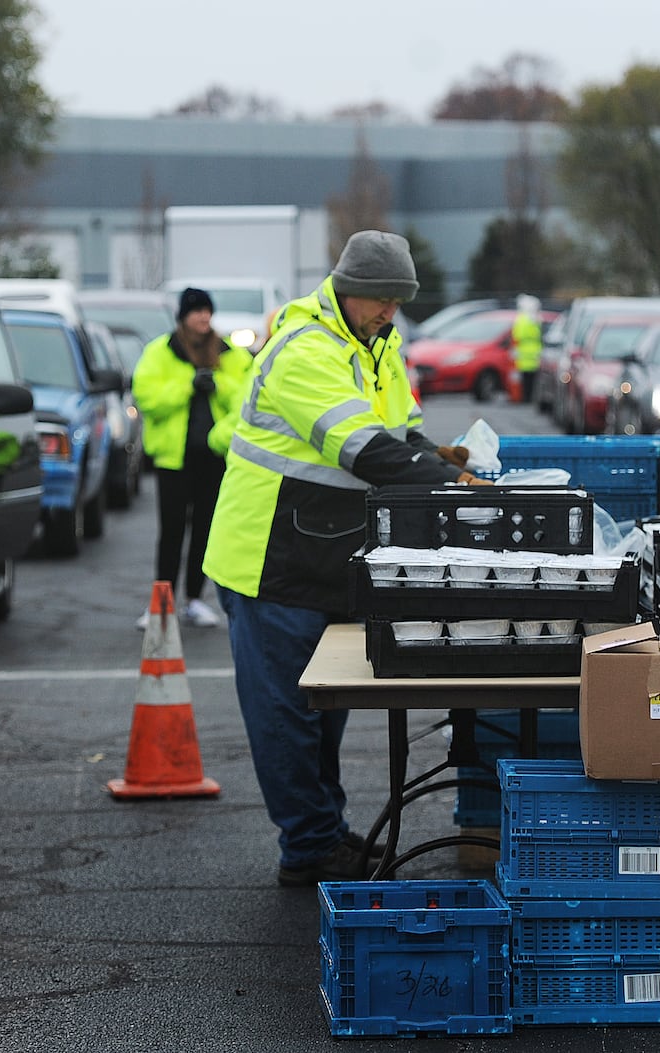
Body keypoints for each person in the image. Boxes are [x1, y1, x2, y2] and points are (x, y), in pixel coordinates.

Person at [201, 230, 488, 887]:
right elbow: (363, 448)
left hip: (326, 557)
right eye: (380, 298)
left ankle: (322, 831)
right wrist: (448, 485)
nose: (391, 310)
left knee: (322, 716)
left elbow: (404, 432)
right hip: (267, 558)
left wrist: (453, 463)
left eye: (398, 299)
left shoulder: (377, 346)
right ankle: (306, 845)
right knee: (286, 715)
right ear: (345, 288)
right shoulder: (305, 349)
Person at [131, 288, 253, 629]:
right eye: (196, 311)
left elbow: (247, 398)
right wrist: (189, 384)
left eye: (207, 311)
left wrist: (216, 385)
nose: (203, 317)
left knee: (205, 531)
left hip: (214, 457)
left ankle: (195, 599)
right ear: (183, 316)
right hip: (174, 459)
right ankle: (161, 603)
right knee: (170, 532)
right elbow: (147, 397)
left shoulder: (229, 352)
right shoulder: (160, 352)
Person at [511, 295, 543, 403]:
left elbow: (516, 336)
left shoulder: (521, 319)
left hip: (524, 355)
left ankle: (524, 398)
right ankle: (528, 398)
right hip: (533, 355)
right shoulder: (535, 319)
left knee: (525, 380)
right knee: (531, 380)